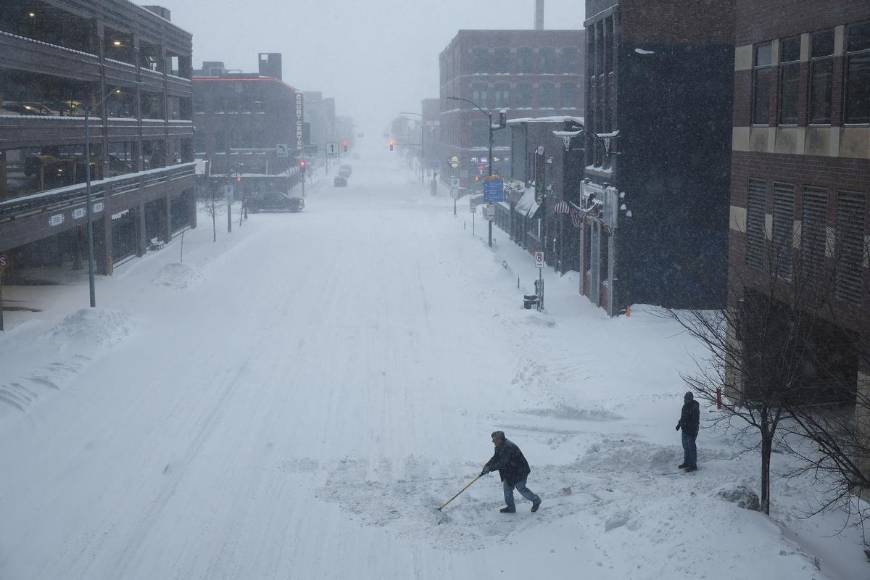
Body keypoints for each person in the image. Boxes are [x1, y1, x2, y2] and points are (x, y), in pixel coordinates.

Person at [481, 431, 541, 513]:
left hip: (520, 470)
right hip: (510, 471)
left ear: (500, 439)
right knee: (507, 488)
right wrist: (487, 466)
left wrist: (490, 469)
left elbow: (502, 463)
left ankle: (536, 500)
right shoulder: (499, 446)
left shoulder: (508, 447)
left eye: (494, 440)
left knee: (521, 488)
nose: (493, 442)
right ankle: (511, 508)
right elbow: (495, 458)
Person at [676, 391, 700, 472]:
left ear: (690, 399)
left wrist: (688, 425)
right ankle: (686, 462)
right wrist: (679, 424)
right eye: (685, 398)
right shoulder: (684, 407)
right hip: (684, 430)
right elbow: (683, 417)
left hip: (692, 431)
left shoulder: (694, 408)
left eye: (687, 399)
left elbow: (695, 421)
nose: (685, 400)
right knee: (685, 447)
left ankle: (693, 465)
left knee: (691, 448)